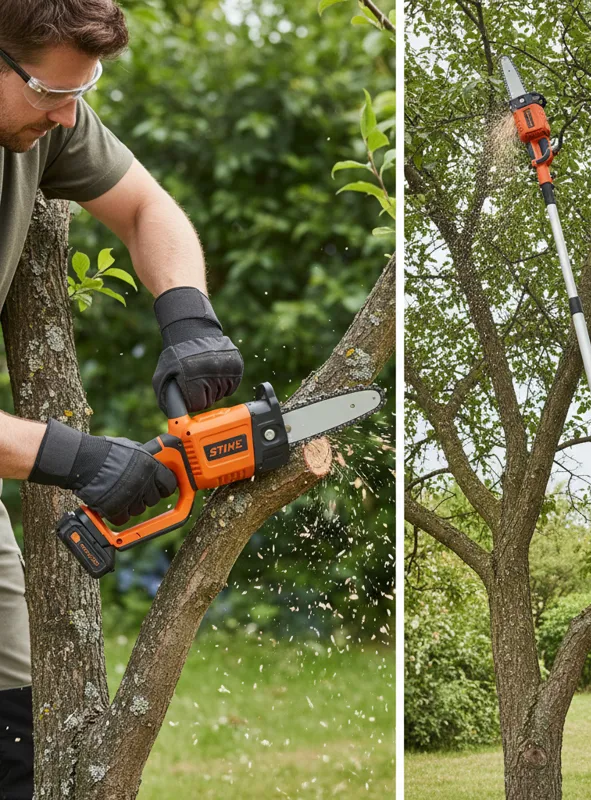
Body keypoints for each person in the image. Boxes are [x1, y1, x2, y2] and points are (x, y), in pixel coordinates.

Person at [0, 2, 244, 797]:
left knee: (14, 718)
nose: (69, 113)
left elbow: (149, 209)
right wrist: (70, 456)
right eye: (47, 91)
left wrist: (188, 315)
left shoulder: (49, 115)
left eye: (84, 88)